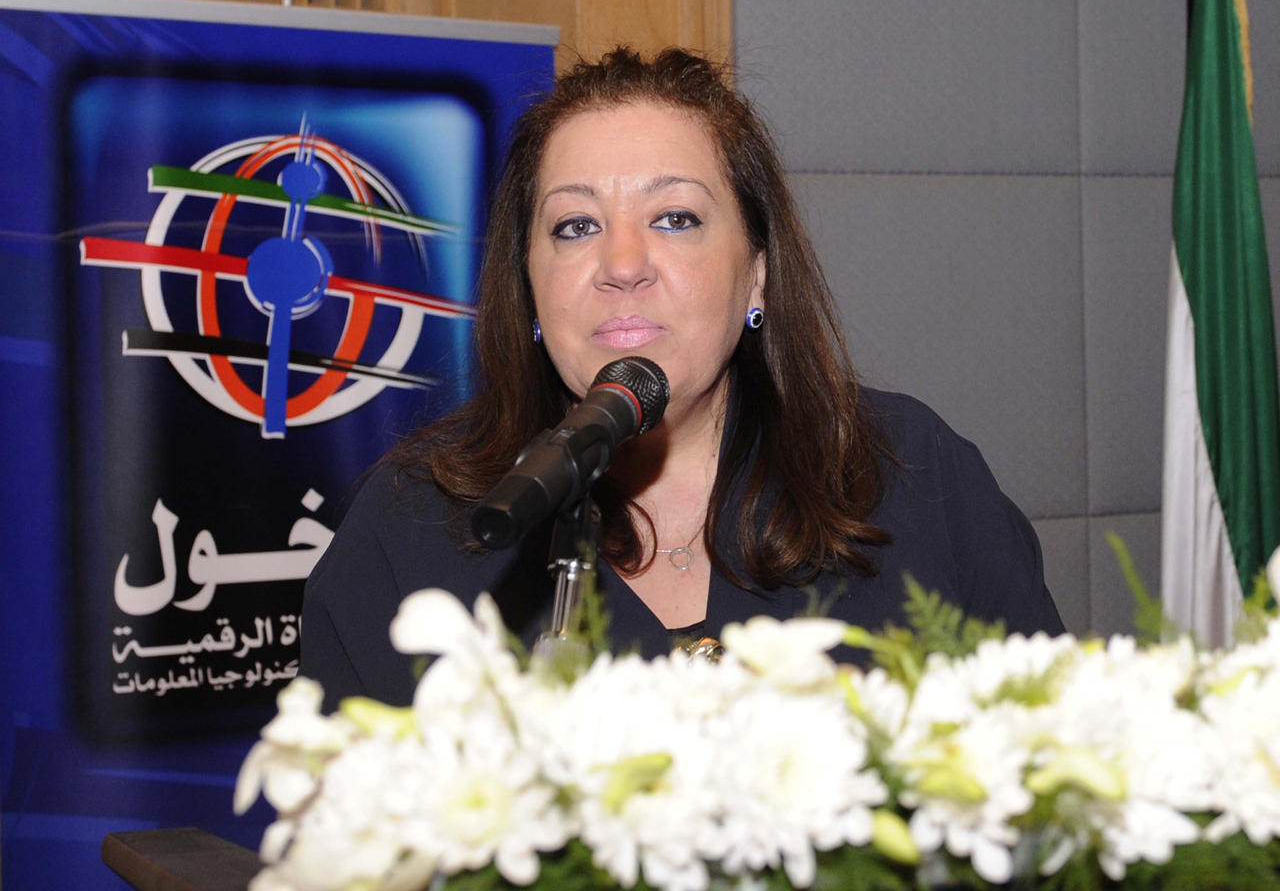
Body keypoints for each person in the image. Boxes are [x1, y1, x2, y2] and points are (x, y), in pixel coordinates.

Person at [300, 47, 1063, 710]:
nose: (623, 264)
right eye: (575, 226)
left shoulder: (911, 471)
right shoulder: (410, 525)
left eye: (675, 218)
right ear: (528, 287)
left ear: (757, 274)